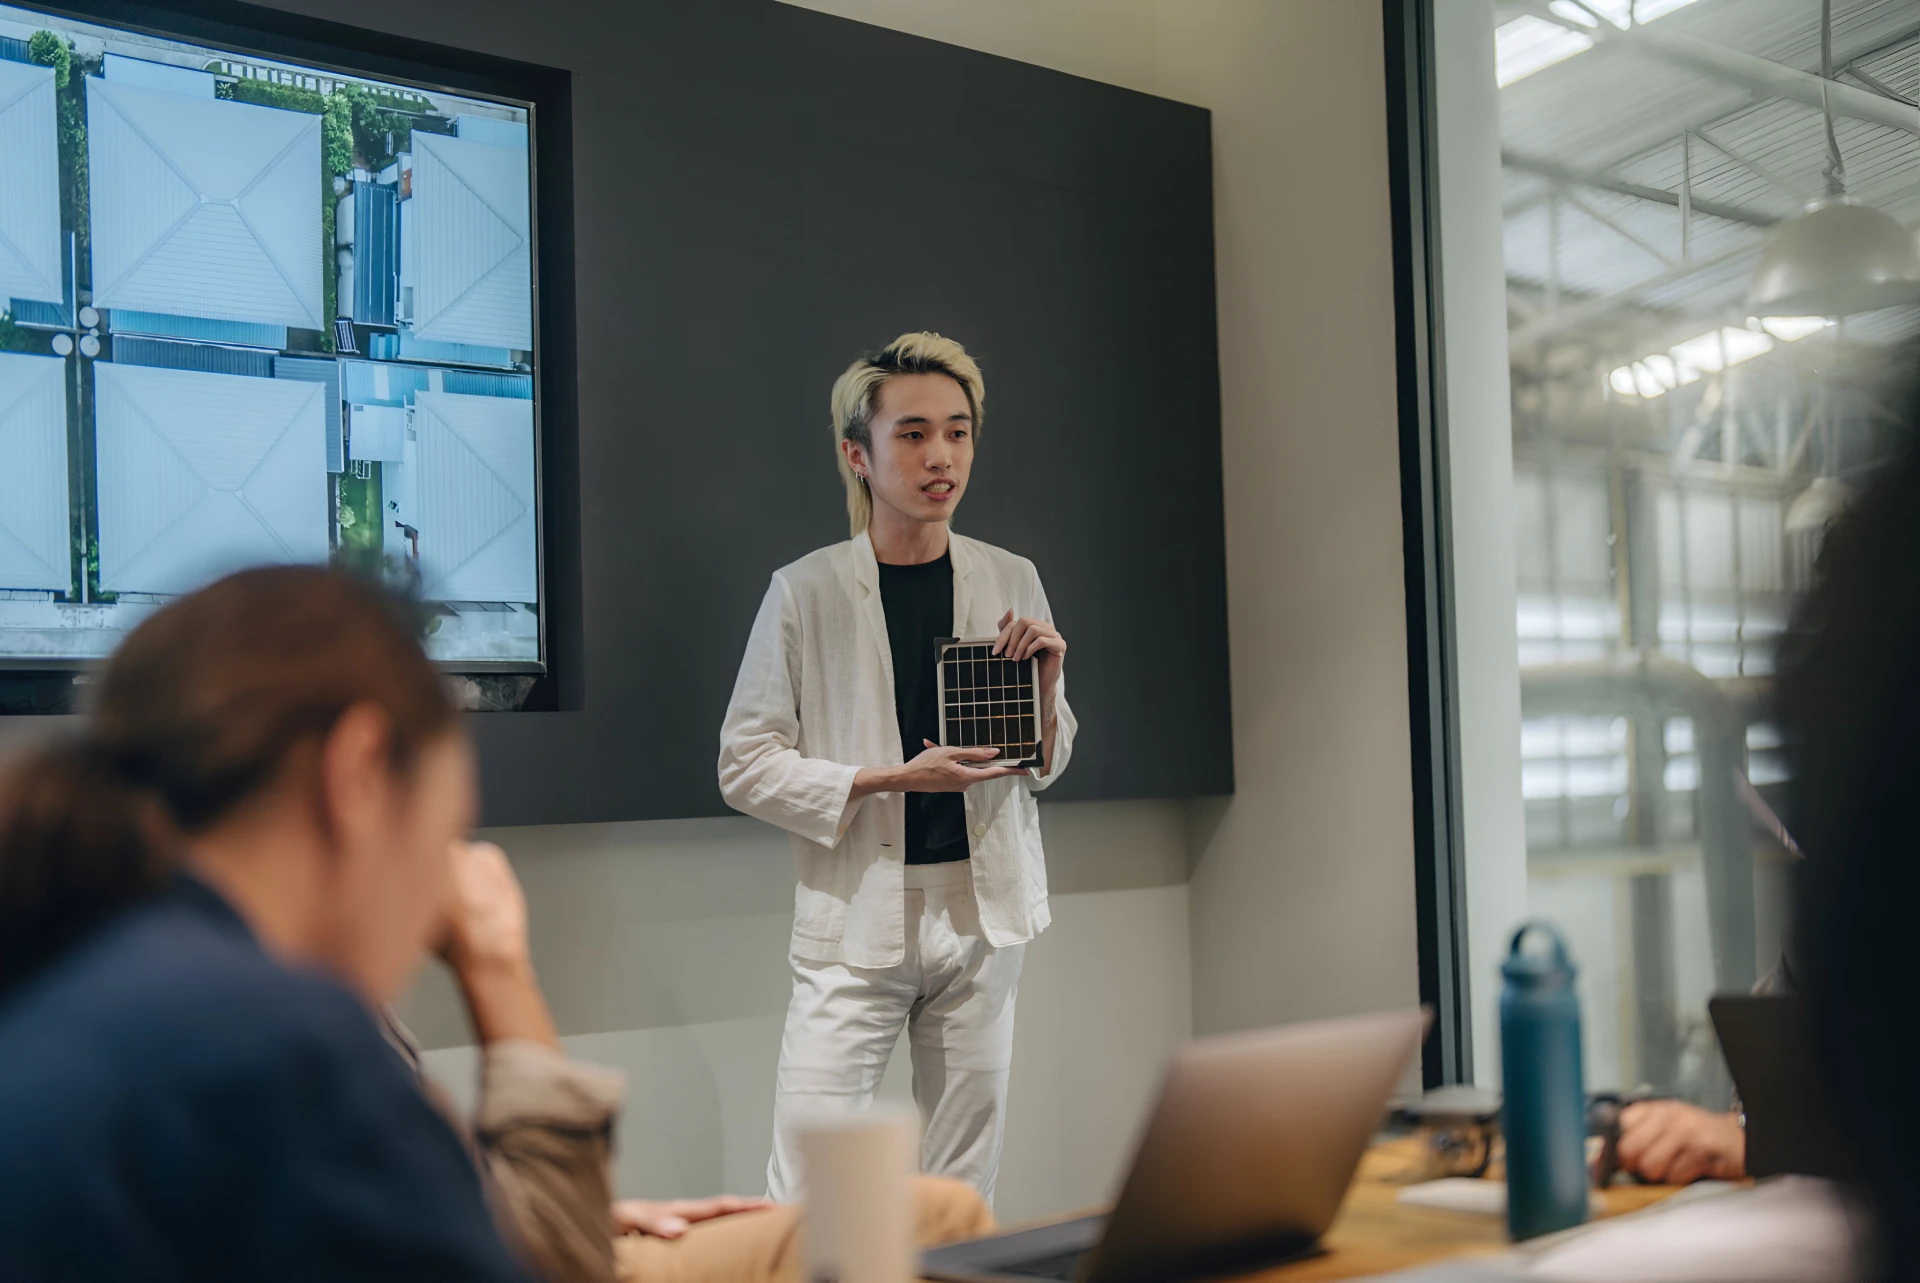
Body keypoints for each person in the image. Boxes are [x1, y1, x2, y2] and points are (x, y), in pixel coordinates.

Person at [0, 566, 533, 1281]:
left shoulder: (64, 960)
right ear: (360, 771)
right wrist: (499, 968)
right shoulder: (278, 1041)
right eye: (445, 839)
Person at [719, 332, 1076, 1204]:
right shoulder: (803, 590)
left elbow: (1045, 760)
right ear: (859, 453)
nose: (940, 455)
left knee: (960, 1190)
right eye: (913, 434)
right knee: (805, 1188)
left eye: (957, 432)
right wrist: (887, 778)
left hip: (982, 914)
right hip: (856, 920)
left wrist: (1048, 688)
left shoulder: (1009, 574)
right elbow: (744, 763)